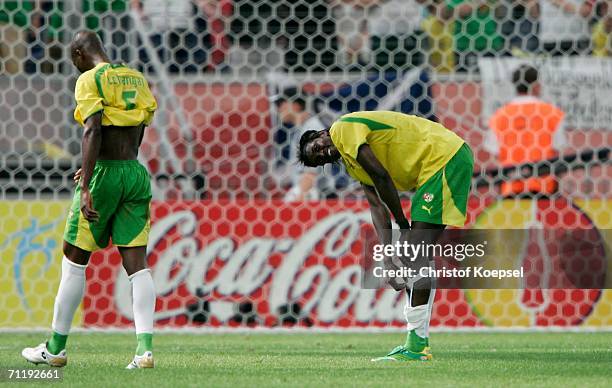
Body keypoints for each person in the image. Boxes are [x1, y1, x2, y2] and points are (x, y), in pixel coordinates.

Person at [21, 30, 158, 369]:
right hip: (134, 171)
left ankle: (55, 348)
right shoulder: (136, 78)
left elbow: (92, 128)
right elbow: (141, 127)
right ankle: (144, 351)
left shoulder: (88, 80)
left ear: (80, 55)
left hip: (104, 175)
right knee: (137, 264)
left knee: (74, 257)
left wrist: (87, 184)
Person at [298, 111, 473, 361]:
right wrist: (388, 256)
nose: (323, 153)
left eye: (318, 146)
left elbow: (381, 176)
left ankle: (417, 346)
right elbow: (377, 207)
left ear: (321, 134)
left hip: (444, 157)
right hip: (438, 163)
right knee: (415, 257)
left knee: (415, 256)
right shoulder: (353, 165)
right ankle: (416, 344)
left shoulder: (342, 128)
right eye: (318, 159)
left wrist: (402, 225)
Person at [486, 65, 567, 197]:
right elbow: (557, 153)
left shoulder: (499, 116)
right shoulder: (553, 114)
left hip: (511, 187)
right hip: (544, 187)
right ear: (535, 85)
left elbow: (495, 156)